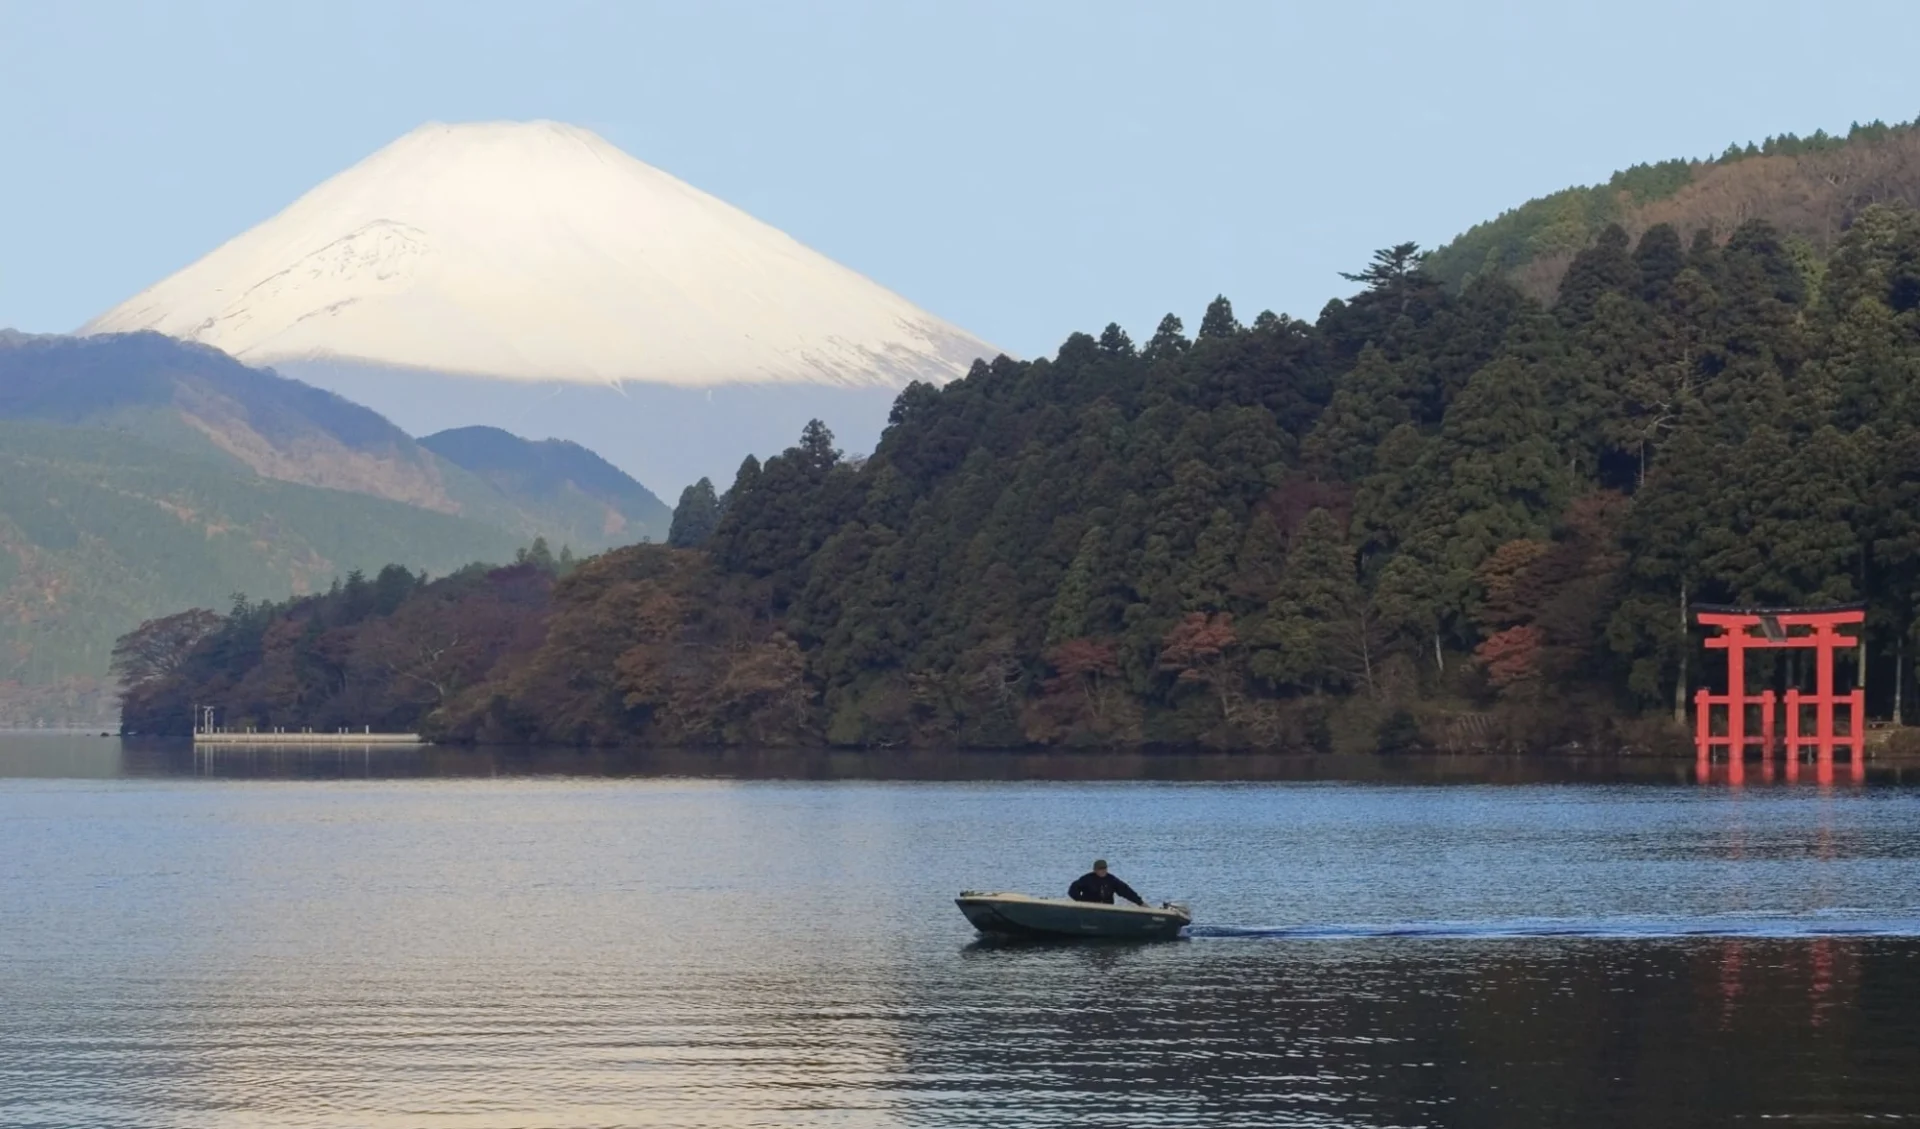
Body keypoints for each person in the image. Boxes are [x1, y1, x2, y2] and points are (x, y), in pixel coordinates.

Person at [1068, 859, 1144, 905]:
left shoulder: (1111, 880)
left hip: (1106, 907)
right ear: (1095, 870)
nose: (1103, 871)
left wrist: (1140, 903)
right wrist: (1081, 902)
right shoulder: (1087, 879)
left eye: (1104, 868)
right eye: (1100, 869)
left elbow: (1126, 891)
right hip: (1089, 907)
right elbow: (1072, 890)